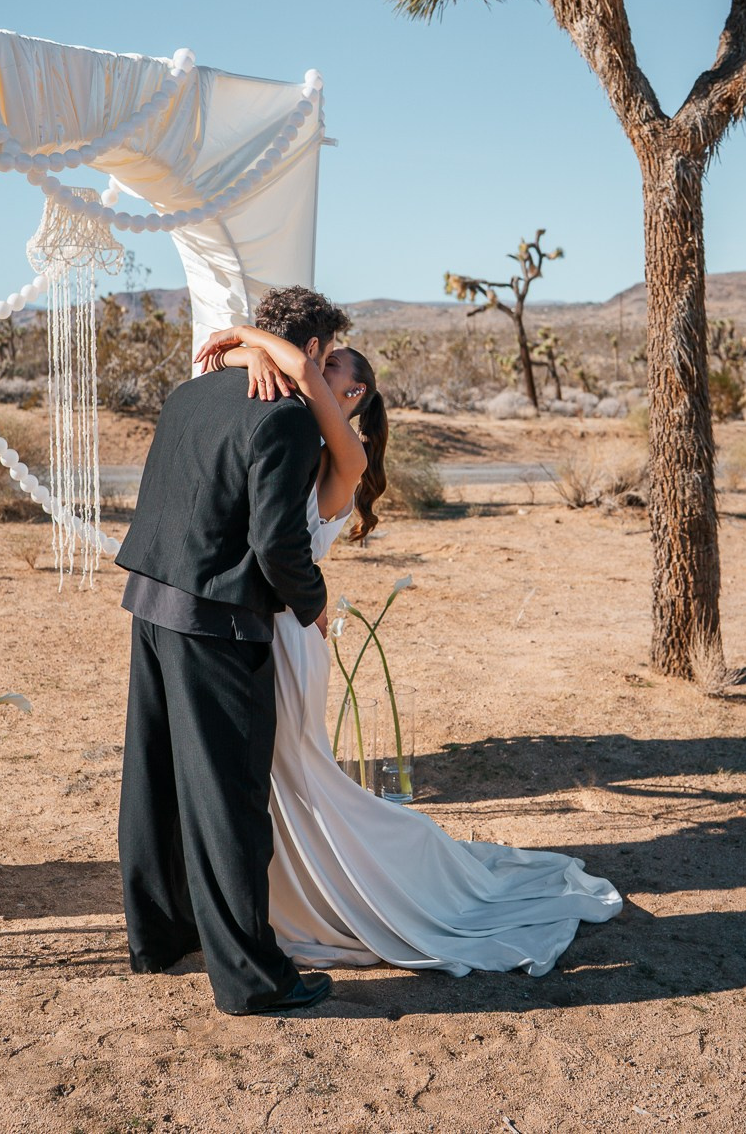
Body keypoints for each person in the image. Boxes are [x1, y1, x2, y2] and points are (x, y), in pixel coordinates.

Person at [195, 322, 624, 979]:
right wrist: (245, 354)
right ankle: (281, 896)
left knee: (296, 772)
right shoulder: (297, 432)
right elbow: (253, 372)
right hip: (270, 625)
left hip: (291, 631)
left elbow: (293, 372)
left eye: (330, 363)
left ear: (355, 391)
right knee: (276, 775)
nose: (312, 363)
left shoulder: (344, 450)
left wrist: (241, 334)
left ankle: (359, 882)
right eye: (317, 356)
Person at [114, 285, 351, 1016]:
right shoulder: (284, 418)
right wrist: (312, 607)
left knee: (154, 784)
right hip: (218, 621)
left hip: (151, 601)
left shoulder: (191, 392)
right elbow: (276, 545)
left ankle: (158, 939)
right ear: (310, 351)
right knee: (230, 802)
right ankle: (253, 979)